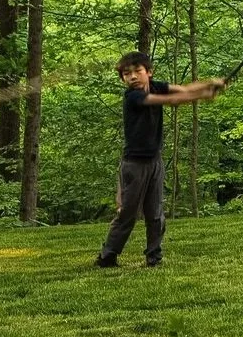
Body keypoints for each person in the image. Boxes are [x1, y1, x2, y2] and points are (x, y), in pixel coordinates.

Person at [96, 52, 225, 268]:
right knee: (127, 214)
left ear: (149, 72)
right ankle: (107, 256)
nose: (133, 77)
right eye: (127, 74)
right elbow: (171, 100)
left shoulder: (156, 86)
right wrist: (203, 95)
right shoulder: (133, 97)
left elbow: (182, 89)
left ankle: (154, 257)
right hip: (134, 165)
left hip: (155, 161)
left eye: (138, 71)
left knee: (155, 213)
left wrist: (210, 83)